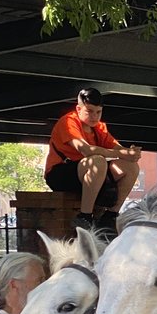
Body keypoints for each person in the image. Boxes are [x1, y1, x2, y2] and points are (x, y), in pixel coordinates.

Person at [43, 87, 142, 234]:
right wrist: (121, 153)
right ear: (78, 108)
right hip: (60, 173)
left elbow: (120, 150)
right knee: (97, 161)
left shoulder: (100, 127)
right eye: (89, 111)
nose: (94, 117)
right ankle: (85, 216)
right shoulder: (68, 122)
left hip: (88, 174)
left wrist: (131, 153)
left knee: (131, 166)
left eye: (98, 112)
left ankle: (111, 215)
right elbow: (86, 150)